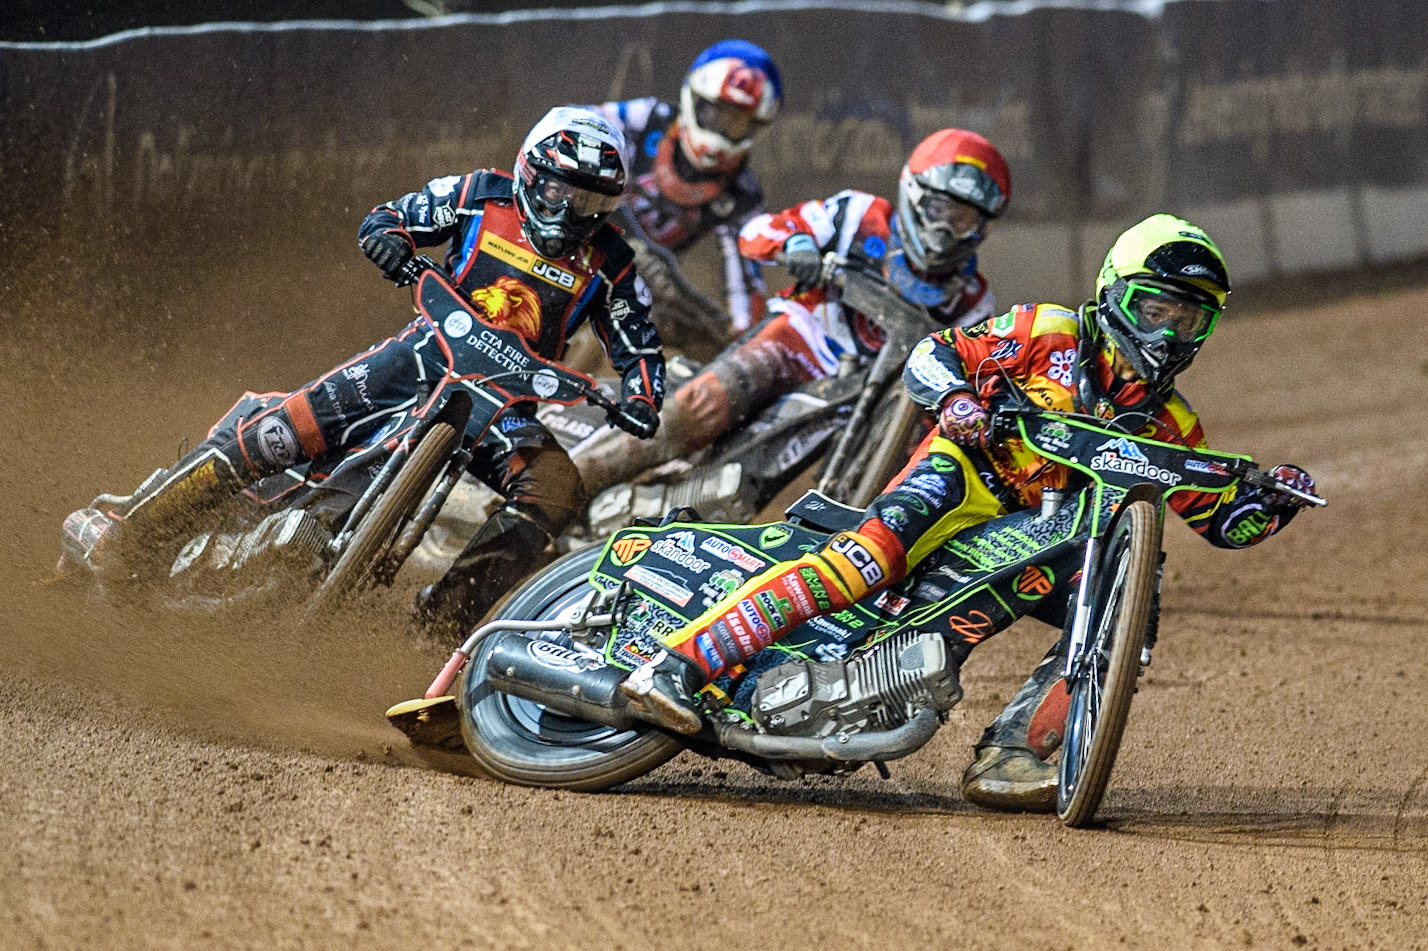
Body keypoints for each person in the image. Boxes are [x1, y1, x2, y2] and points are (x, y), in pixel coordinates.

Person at [617, 214, 1318, 813]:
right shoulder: (1050, 333)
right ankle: (675, 666)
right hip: (963, 474)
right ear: (1113, 294)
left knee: (1136, 597)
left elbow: (1225, 521)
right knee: (864, 563)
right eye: (1154, 309)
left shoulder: (1171, 425)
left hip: (1039, 530)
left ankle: (1018, 749)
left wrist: (1274, 499)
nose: (1168, 333)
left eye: (1190, 317)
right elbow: (934, 353)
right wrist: (956, 401)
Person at [59, 107, 666, 637]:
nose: (570, 210)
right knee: (285, 428)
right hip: (423, 356)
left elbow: (640, 341)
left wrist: (643, 394)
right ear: (532, 172)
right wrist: (388, 240)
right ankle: (135, 530)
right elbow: (389, 216)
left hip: (504, 407)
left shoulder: (609, 259)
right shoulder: (481, 194)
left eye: (588, 201)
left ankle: (436, 626)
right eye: (561, 191)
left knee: (556, 488)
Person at [577, 127, 1010, 498]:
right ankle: (573, 484)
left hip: (873, 397)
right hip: (800, 341)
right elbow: (757, 230)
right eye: (939, 210)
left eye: (963, 219)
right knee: (700, 405)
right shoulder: (859, 215)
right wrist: (795, 244)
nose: (945, 230)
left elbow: (967, 371)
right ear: (914, 191)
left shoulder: (974, 301)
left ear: (984, 226)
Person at [585, 39, 782, 345]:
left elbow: (744, 282)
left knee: (692, 326)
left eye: (736, 122)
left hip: (636, 286)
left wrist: (744, 342)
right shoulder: (646, 118)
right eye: (717, 113)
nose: (722, 127)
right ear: (694, 98)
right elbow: (572, 130)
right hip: (580, 237)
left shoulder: (742, 195)